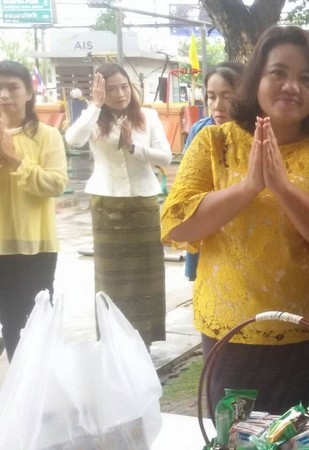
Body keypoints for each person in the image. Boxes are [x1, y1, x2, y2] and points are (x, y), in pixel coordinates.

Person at [160, 25, 309, 414]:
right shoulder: (214, 143)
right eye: (278, 73)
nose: (292, 86)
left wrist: (283, 189)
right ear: (256, 79)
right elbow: (176, 223)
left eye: (306, 78)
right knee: (238, 437)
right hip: (232, 336)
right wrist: (249, 186)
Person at [64, 63, 172, 349]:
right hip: (106, 204)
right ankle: (113, 343)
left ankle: (144, 341)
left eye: (124, 87)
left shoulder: (147, 116)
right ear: (101, 92)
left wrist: (134, 147)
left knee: (145, 277)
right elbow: (73, 139)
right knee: (110, 278)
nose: (120, 94)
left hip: (143, 204)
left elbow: (165, 157)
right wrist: (95, 105)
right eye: (111, 89)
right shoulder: (93, 118)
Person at [0, 60, 68, 362]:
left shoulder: (47, 135)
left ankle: (37, 386)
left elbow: (55, 184)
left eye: (12, 87)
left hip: (36, 247)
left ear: (29, 92)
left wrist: (13, 158)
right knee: (9, 323)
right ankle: (17, 385)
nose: (4, 95)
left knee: (35, 324)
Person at [182, 61, 245, 282]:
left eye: (227, 96)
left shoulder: (255, 132)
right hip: (204, 219)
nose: (218, 105)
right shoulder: (200, 130)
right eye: (211, 96)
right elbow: (186, 182)